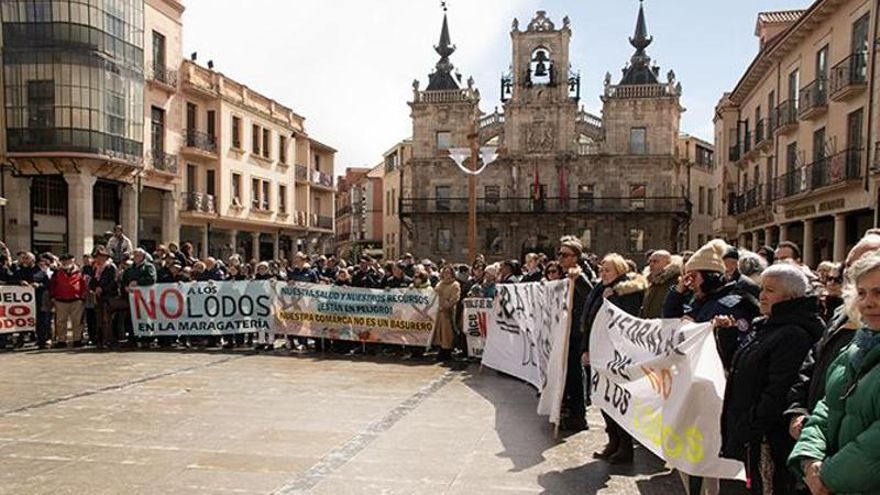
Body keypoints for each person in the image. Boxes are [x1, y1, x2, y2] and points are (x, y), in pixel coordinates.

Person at [720, 264, 823, 493]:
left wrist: (748, 427)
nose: (762, 296)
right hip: (750, 434)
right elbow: (742, 368)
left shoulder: (793, 335)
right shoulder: (765, 325)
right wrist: (727, 336)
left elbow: (778, 392)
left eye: (770, 290)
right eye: (762, 289)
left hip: (767, 439)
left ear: (791, 297)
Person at [788, 250, 880, 494]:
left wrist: (827, 477)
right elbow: (827, 407)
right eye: (862, 293)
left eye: (879, 292)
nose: (868, 302)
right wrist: (809, 459)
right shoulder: (854, 347)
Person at [583, 253, 646, 464]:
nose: (603, 273)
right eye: (601, 269)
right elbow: (589, 319)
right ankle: (613, 440)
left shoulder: (628, 291)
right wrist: (586, 348)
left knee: (617, 398)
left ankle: (625, 446)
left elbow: (627, 319)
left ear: (619, 271)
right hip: (598, 349)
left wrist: (612, 299)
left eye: (607, 270)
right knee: (603, 397)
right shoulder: (599, 289)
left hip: (617, 354)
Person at [664, 239, 761, 371]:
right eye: (687, 278)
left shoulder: (731, 306)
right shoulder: (700, 301)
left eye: (693, 277)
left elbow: (732, 352)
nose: (690, 284)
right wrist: (677, 292)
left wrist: (696, 327)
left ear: (709, 277)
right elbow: (670, 324)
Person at [556, 237, 593, 432]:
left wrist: (578, 279)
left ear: (576, 257)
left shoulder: (581, 274)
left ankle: (579, 415)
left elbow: (590, 295)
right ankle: (570, 409)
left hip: (576, 332)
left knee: (575, 373)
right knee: (568, 372)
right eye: (559, 254)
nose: (561, 258)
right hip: (566, 330)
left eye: (565, 255)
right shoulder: (566, 275)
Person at [48, 254, 88, 347]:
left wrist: (82, 297)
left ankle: (77, 340)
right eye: (64, 261)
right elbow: (52, 285)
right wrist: (52, 296)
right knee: (60, 322)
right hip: (60, 300)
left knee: (77, 321)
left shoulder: (80, 272)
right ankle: (61, 340)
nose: (66, 262)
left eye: (68, 260)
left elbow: (84, 284)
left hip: (76, 300)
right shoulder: (57, 272)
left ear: (73, 261)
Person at [90, 247, 118, 349]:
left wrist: (102, 288)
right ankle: (101, 340)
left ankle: (109, 340)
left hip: (109, 297)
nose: (99, 259)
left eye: (101, 257)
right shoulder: (95, 268)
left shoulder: (111, 267)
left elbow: (113, 282)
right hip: (99, 297)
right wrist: (95, 288)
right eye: (97, 257)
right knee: (99, 320)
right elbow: (92, 282)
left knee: (107, 320)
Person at [640, 250, 680, 319]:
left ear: (668, 263)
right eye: (650, 261)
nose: (651, 264)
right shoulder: (652, 282)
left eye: (655, 261)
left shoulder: (676, 282)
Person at [432, 265, 460, 361]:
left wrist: (445, 306)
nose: (446, 275)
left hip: (448, 312)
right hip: (438, 312)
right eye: (445, 272)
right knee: (439, 333)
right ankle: (440, 350)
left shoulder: (455, 285)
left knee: (447, 333)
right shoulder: (439, 284)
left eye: (449, 273)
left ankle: (447, 352)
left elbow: (455, 298)